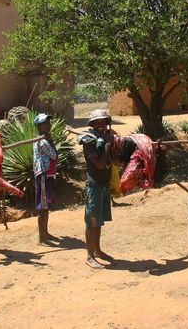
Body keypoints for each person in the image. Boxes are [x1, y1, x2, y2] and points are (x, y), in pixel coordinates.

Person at [79, 109, 115, 269]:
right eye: (98, 123)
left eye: (104, 122)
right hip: (93, 185)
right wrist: (107, 145)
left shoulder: (105, 138)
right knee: (91, 222)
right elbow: (100, 164)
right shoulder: (89, 141)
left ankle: (98, 250)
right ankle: (89, 255)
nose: (101, 125)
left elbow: (113, 160)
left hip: (103, 184)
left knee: (98, 221)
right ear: (93, 125)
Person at [33, 113, 59, 245]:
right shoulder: (43, 141)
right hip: (43, 175)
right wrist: (51, 141)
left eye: (49, 123)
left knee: (46, 206)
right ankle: (41, 237)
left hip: (47, 175)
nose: (48, 125)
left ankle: (45, 233)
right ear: (38, 126)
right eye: (45, 123)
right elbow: (54, 155)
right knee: (42, 207)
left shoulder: (44, 139)